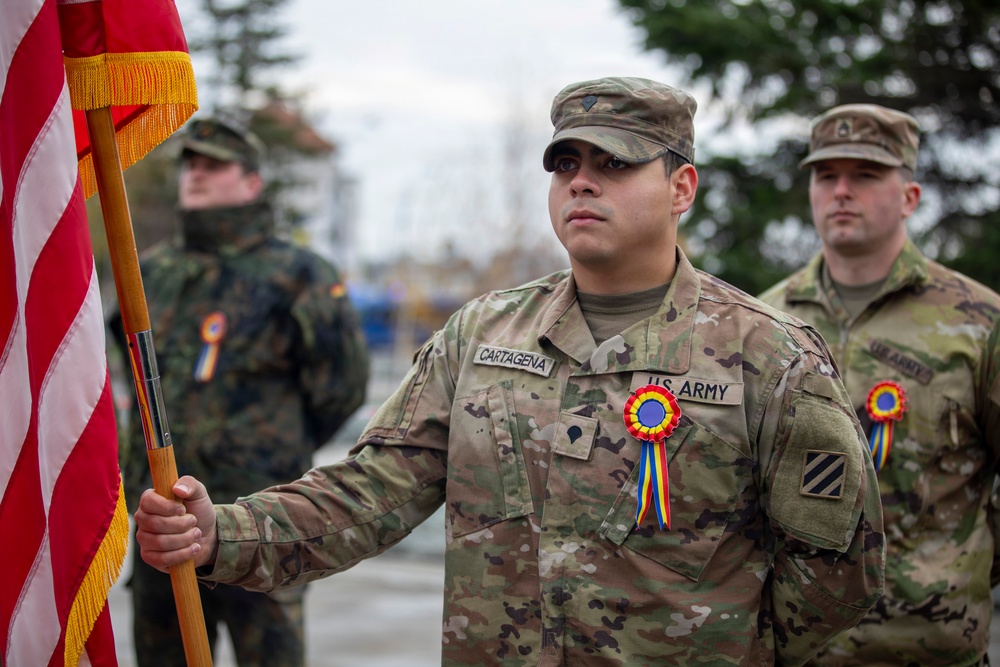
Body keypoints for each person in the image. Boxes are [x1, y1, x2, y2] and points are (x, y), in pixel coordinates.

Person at [134, 78, 885, 666]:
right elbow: (371, 492)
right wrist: (223, 532)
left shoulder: (769, 355)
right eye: (566, 165)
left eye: (615, 164)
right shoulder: (482, 335)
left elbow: (837, 571)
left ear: (681, 187)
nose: (582, 183)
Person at [109, 117, 370, 666]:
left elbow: (340, 388)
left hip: (262, 520)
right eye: (190, 164)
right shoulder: (149, 273)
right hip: (164, 522)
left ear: (252, 182)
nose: (196, 175)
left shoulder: (299, 273)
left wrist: (270, 449)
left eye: (214, 165)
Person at [759, 104, 1000, 666]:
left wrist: (957, 566)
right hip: (799, 650)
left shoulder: (979, 323)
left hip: (930, 647)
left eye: (865, 175)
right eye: (826, 175)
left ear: (910, 196)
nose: (841, 191)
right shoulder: (762, 323)